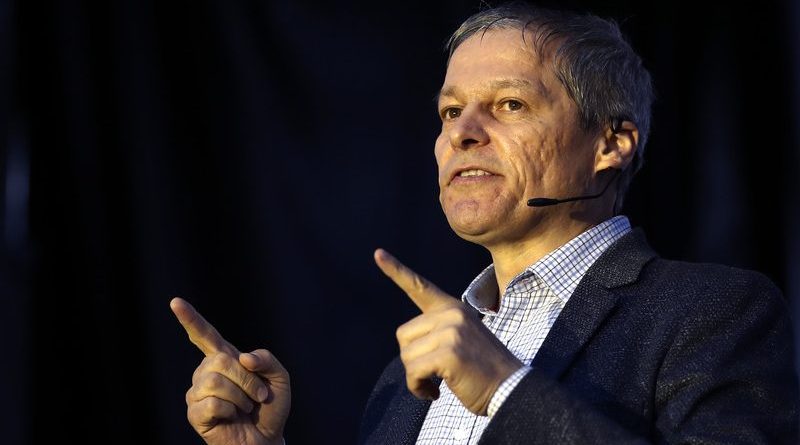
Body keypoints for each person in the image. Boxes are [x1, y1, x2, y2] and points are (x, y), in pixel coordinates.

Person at [170, 2, 800, 444]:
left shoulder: (711, 312)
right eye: (450, 112)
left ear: (611, 143)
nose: (463, 134)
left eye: (510, 104)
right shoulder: (406, 376)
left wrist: (502, 390)